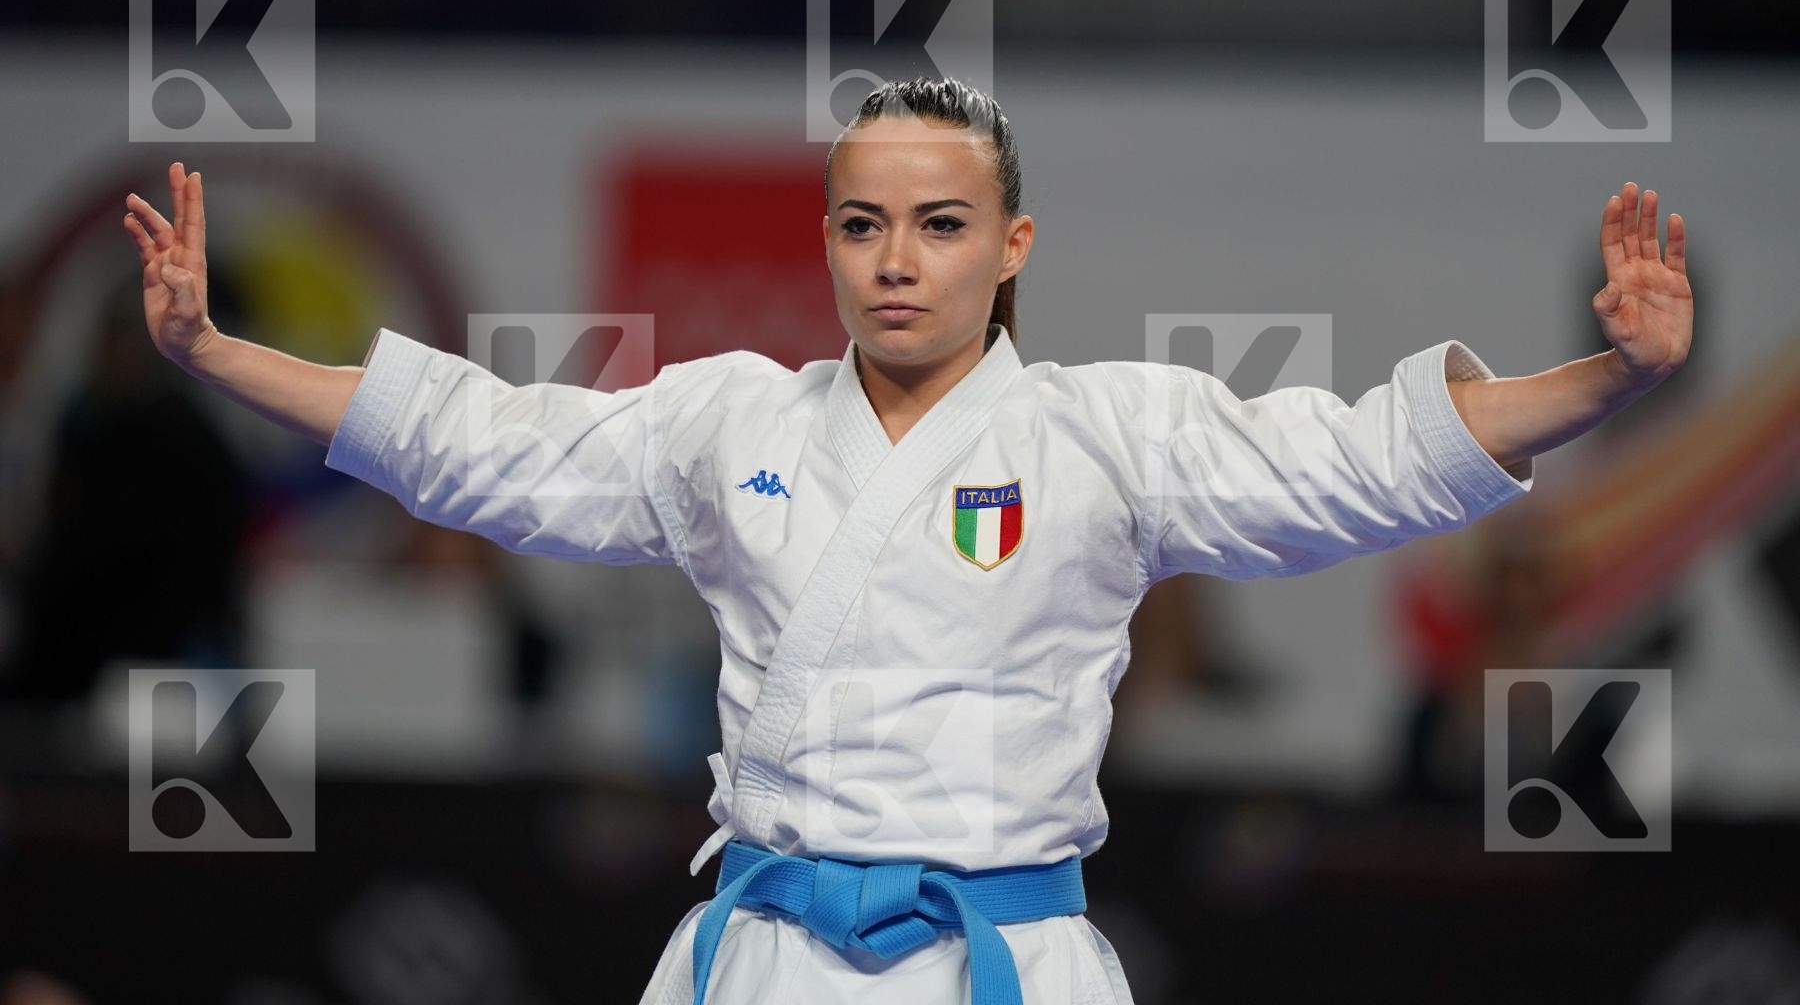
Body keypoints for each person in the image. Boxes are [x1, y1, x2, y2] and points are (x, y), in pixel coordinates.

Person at [120, 77, 1694, 1004]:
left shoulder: (1102, 434)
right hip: (766, 953)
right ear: (825, 240)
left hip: (996, 959)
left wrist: (1608, 378)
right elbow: (485, 446)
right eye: (864, 224)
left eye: (941, 226)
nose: (897, 262)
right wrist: (218, 352)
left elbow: (1355, 462)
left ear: (1011, 247)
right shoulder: (729, 421)